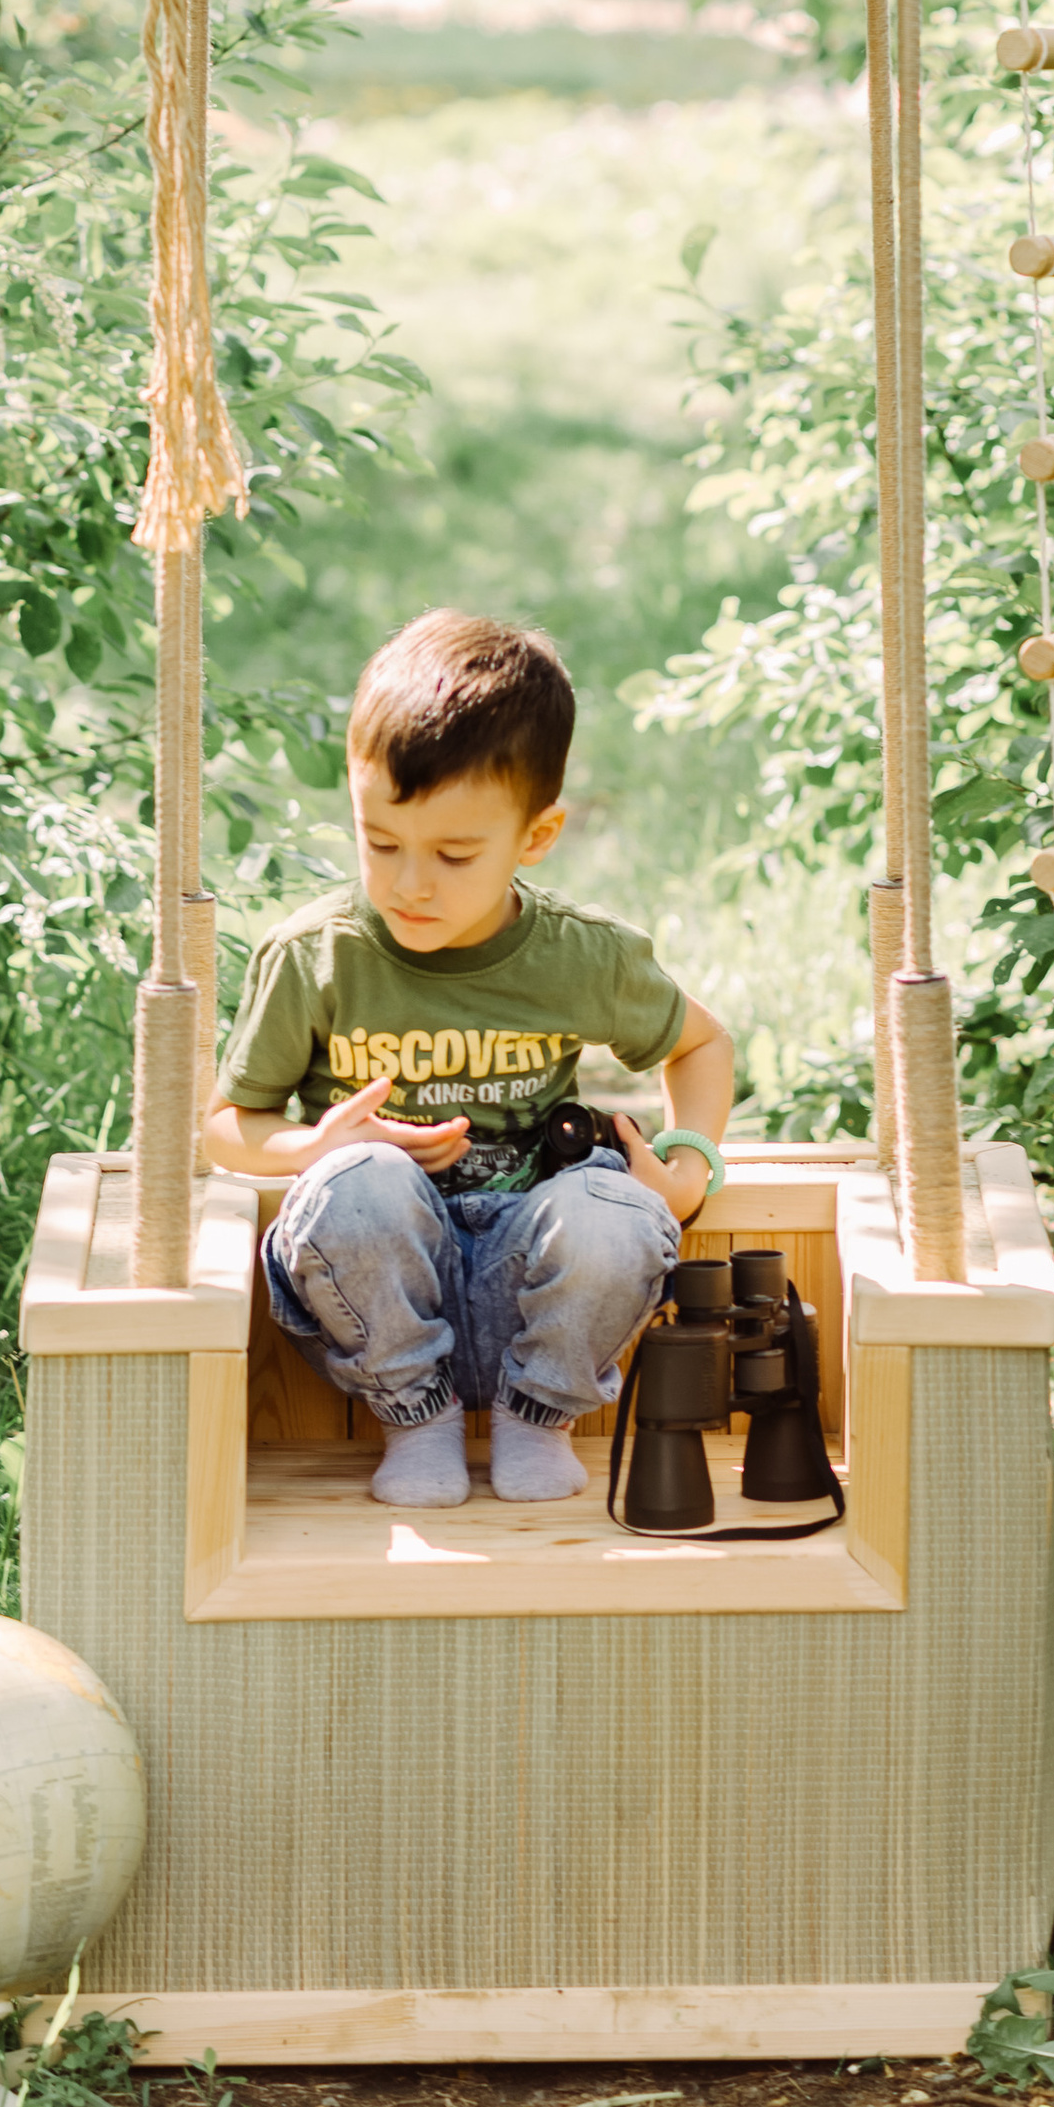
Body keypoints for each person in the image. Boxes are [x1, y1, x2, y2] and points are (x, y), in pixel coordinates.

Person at [204, 611, 733, 1505]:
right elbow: (225, 1127)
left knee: (616, 1212)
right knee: (356, 1183)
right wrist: (315, 1146)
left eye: (454, 855)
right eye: (380, 843)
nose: (410, 883)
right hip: (379, 1301)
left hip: (538, 1285)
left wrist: (688, 1169)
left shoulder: (579, 955)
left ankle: (538, 1421)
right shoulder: (316, 956)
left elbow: (702, 1041)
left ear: (537, 836)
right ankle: (419, 1425)